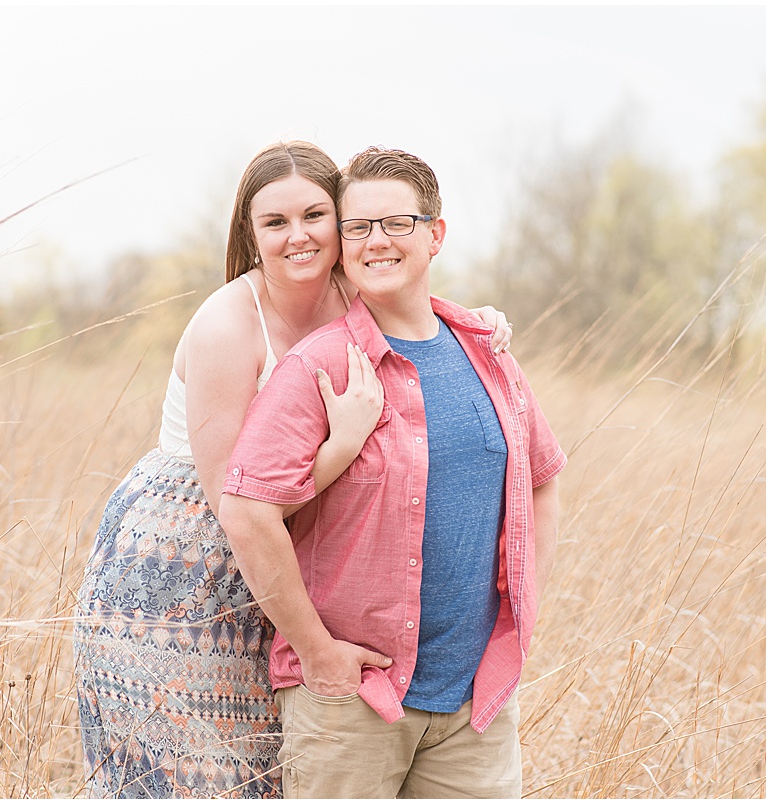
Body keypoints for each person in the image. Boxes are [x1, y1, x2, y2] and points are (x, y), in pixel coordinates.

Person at [72, 141, 514, 798]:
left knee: (283, 769)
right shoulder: (229, 324)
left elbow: (419, 303)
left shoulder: (352, 293)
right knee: (201, 775)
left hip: (292, 558)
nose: (299, 236)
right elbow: (235, 503)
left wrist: (477, 323)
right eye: (275, 223)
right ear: (249, 236)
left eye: (315, 215)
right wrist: (341, 447)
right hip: (189, 566)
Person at [219, 146, 566, 798]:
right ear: (342, 246)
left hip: (475, 703)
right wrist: (316, 652)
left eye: (397, 223)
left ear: (434, 235)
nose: (377, 241)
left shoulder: (486, 355)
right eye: (358, 228)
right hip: (353, 701)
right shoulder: (321, 366)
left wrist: (524, 614)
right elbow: (246, 509)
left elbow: (542, 480)